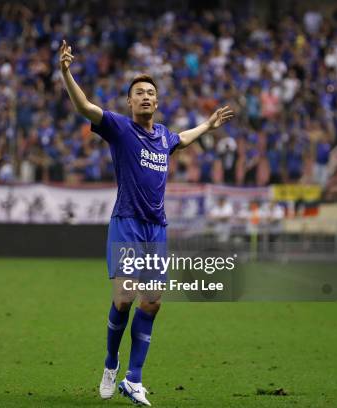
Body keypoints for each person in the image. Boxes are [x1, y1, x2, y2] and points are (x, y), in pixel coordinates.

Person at [59, 40, 234, 406]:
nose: (144, 97)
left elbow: (181, 140)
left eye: (150, 93)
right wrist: (66, 73)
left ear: (156, 102)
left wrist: (208, 124)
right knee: (123, 300)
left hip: (157, 229)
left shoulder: (163, 137)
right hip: (127, 223)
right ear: (129, 102)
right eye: (138, 93)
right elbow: (85, 107)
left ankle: (134, 379)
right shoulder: (120, 129)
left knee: (152, 302)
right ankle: (111, 363)